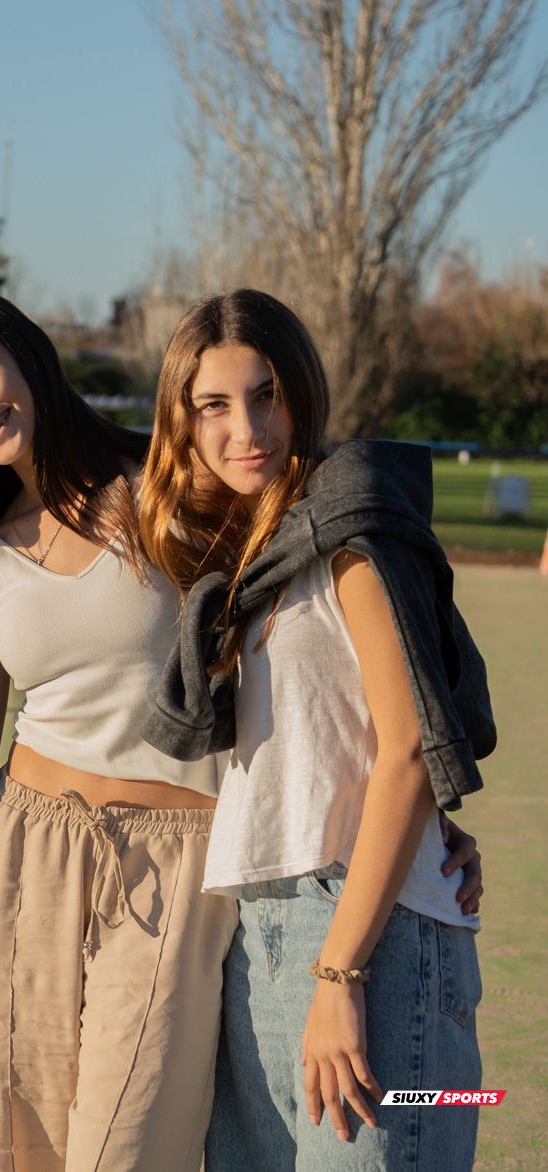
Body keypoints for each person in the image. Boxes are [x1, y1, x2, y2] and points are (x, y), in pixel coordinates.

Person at [137, 289, 490, 1171]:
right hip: (264, 931)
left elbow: (410, 747)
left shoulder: (354, 540)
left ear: (303, 392)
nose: (246, 428)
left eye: (267, 395)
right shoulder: (259, 556)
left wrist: (340, 975)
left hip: (370, 943)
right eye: (213, 406)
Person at [0, 289, 242, 1172]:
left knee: (123, 1150)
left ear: (28, 357)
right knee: (26, 1151)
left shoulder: (175, 488)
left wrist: (430, 805)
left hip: (179, 862)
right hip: (28, 856)